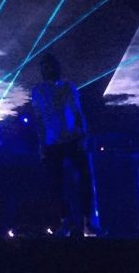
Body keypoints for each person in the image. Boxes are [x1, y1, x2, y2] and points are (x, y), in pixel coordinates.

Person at [31, 53, 102, 237]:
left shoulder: (68, 86)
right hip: (52, 142)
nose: (47, 69)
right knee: (56, 186)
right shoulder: (38, 90)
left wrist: (84, 135)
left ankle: (87, 222)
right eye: (44, 67)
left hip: (73, 139)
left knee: (84, 181)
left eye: (50, 65)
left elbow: (78, 112)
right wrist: (41, 145)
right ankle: (65, 222)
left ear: (56, 67)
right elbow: (39, 120)